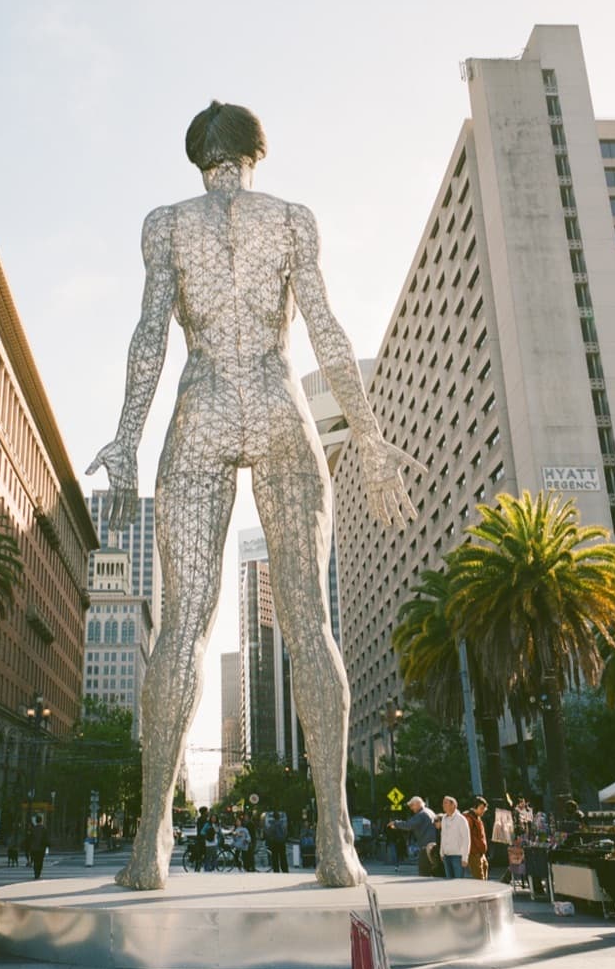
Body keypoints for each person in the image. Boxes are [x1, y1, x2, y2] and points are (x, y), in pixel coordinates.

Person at [87, 101, 421, 890]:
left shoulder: (166, 225)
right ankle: (335, 834)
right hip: (276, 404)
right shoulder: (292, 219)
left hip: (202, 407)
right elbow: (326, 327)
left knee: (182, 627)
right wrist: (369, 435)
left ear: (197, 156)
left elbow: (149, 337)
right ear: (254, 153)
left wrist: (127, 437)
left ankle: (151, 837)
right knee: (309, 622)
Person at [389, 796, 439, 876]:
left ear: (418, 804)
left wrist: (395, 823)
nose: (411, 808)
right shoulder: (430, 812)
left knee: (424, 872)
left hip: (426, 847)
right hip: (433, 845)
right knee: (433, 871)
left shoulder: (421, 814)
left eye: (412, 805)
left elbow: (409, 825)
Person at [437, 795, 471, 879]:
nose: (443, 805)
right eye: (443, 803)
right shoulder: (444, 819)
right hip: (446, 856)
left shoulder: (461, 819)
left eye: (445, 803)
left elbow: (466, 839)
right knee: (449, 881)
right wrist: (441, 852)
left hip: (458, 856)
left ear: (453, 805)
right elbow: (443, 836)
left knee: (458, 882)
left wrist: (465, 857)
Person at [464, 797, 490, 881]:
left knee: (484, 875)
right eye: (481, 808)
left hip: (480, 852)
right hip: (474, 853)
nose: (483, 811)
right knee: (479, 879)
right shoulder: (469, 819)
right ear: (475, 807)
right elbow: (466, 836)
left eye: (484, 809)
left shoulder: (477, 817)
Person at [26, 814, 50, 880]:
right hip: (41, 848)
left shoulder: (33, 829)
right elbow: (46, 838)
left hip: (34, 847)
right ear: (41, 821)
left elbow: (30, 838)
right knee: (40, 861)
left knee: (35, 861)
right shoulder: (44, 829)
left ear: (36, 821)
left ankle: (36, 873)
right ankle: (38, 873)